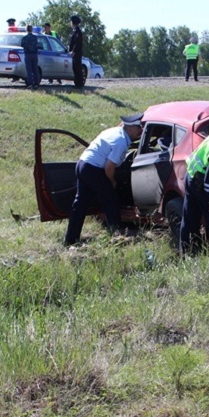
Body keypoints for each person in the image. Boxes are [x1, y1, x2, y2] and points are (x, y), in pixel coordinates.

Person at [64, 113, 144, 246]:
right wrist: (111, 181)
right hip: (93, 169)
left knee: (80, 204)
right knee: (110, 200)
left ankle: (71, 239)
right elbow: (109, 167)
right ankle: (117, 235)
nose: (140, 131)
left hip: (82, 164)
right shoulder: (121, 142)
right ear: (129, 128)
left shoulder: (114, 131)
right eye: (138, 128)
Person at [20, 25, 39, 89]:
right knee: (35, 70)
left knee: (29, 70)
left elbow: (22, 45)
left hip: (27, 54)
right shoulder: (35, 37)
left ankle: (30, 84)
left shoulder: (24, 37)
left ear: (26, 29)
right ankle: (36, 84)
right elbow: (37, 45)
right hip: (34, 54)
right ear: (32, 29)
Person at [69, 15, 84, 88]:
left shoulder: (78, 32)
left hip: (77, 53)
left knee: (77, 68)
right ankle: (77, 84)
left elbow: (77, 43)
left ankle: (79, 84)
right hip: (75, 53)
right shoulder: (75, 31)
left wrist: (73, 51)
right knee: (75, 68)